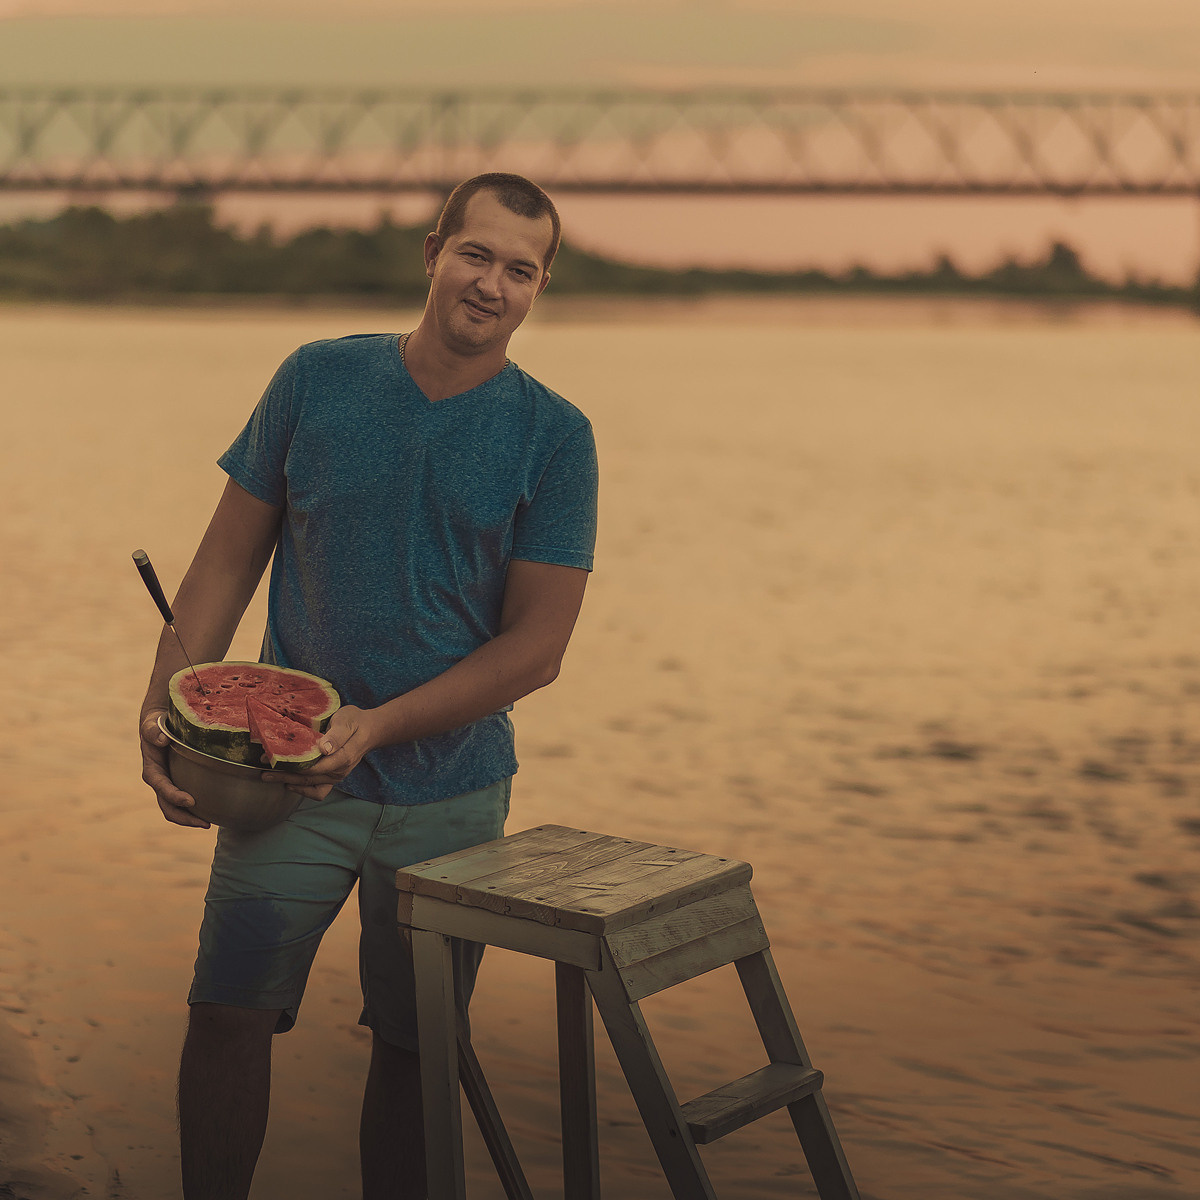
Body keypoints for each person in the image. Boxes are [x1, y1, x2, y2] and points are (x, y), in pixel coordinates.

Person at [137, 172, 598, 1200]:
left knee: (415, 1049)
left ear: (538, 289)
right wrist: (160, 706)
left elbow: (538, 649)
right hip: (279, 783)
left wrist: (379, 726)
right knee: (225, 1013)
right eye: (477, 254)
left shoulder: (556, 436)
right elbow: (221, 566)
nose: (493, 284)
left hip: (454, 799)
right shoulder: (315, 379)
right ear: (432, 252)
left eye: (521, 270)